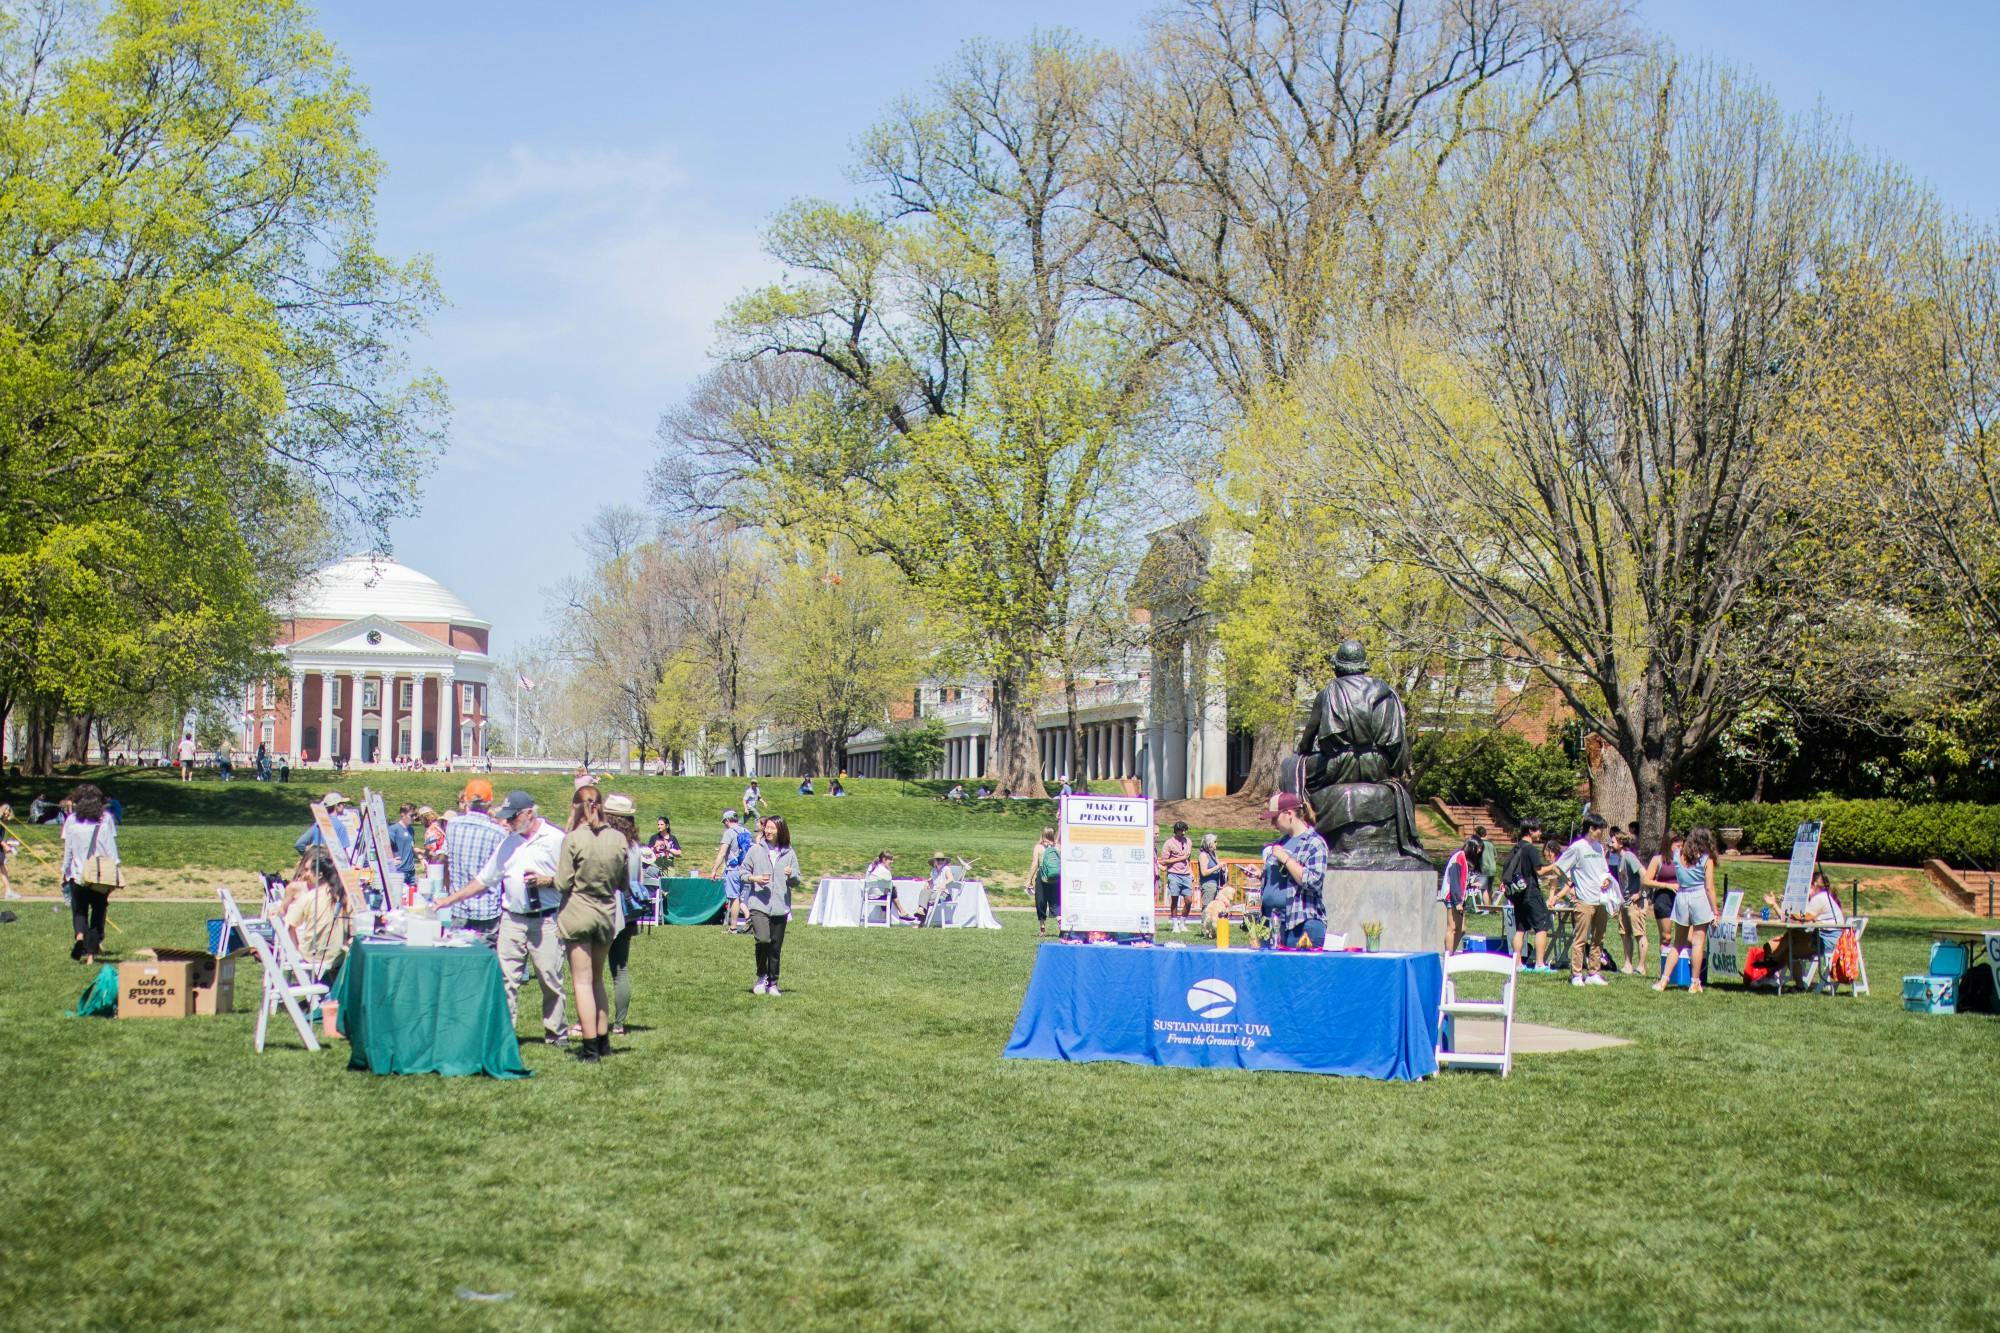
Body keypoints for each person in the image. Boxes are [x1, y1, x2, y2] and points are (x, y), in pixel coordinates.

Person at [435, 790, 570, 1044]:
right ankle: (505, 1033)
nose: (508, 823)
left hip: (546, 919)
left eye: (513, 818)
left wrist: (547, 881)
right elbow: (484, 880)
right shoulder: (509, 843)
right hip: (511, 919)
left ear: (529, 813)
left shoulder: (555, 839)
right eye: (506, 818)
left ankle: (556, 1032)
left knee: (550, 977)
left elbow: (571, 878)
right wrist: (449, 899)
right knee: (507, 979)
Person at [555, 787, 624, 1062]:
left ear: (576, 807)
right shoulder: (618, 839)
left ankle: (589, 1047)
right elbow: (623, 882)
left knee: (582, 982)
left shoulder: (573, 839)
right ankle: (604, 1040)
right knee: (598, 979)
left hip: (578, 912)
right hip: (606, 913)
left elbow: (562, 883)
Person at [603, 795, 651, 1035]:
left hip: (607, 908)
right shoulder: (635, 847)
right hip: (629, 910)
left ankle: (592, 1021)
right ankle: (620, 1023)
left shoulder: (607, 843)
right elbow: (640, 881)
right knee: (620, 970)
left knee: (591, 971)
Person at [1255, 793, 1328, 949]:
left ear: (1289, 814)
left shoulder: (1314, 843)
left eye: (1275, 818)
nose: (1272, 823)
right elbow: (1279, 879)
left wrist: (1287, 859)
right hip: (1273, 923)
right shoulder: (1280, 843)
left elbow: (1313, 881)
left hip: (1302, 925)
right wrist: (1261, 874)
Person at [1751, 868, 1846, 987]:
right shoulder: (1822, 897)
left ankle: (1779, 973)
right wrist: (1777, 904)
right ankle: (1771, 970)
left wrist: (1789, 906)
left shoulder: (1820, 898)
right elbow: (1795, 918)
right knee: (1791, 936)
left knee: (1789, 950)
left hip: (1826, 941)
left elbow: (1804, 917)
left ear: (1813, 885)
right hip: (1822, 937)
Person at [1553, 813, 1617, 987]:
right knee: (1580, 939)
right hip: (1584, 900)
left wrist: (1606, 880)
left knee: (1598, 938)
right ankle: (1576, 974)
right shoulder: (1578, 847)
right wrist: (1570, 885)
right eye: (1599, 830)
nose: (1601, 833)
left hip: (1601, 900)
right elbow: (1559, 867)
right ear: (1591, 828)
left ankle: (1594, 972)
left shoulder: (1599, 848)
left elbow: (1605, 870)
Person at [1654, 826, 1720, 995]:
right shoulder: (1706, 860)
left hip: (1682, 897)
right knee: (1698, 942)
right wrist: (1715, 911)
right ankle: (1694, 982)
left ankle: (1663, 980)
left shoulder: (1678, 857)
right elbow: (1709, 888)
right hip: (1699, 897)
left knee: (1677, 943)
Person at [59, 783, 120, 963]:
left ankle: (80, 936)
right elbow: (111, 850)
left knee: (79, 911)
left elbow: (68, 850)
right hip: (100, 876)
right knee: (99, 911)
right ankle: (91, 953)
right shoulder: (106, 820)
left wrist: (64, 872)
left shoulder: (71, 821)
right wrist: (115, 874)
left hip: (78, 875)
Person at [439, 781, 506, 944]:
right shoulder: (498, 833)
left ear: (466, 801)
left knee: (460, 960)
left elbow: (444, 859)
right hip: (487, 910)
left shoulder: (452, 825)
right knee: (484, 963)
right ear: (489, 803)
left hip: (459, 906)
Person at [742, 814, 800, 995]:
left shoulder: (789, 853)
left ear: (780, 830)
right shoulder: (756, 850)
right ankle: (761, 976)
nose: (768, 831)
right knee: (763, 939)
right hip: (758, 903)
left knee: (775, 946)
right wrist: (755, 878)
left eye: (772, 828)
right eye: (766, 827)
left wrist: (792, 875)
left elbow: (796, 881)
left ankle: (773, 984)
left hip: (780, 906)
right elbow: (742, 872)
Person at [275, 845, 353, 969]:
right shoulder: (343, 895)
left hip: (311, 951)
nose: (305, 875)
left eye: (308, 870)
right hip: (331, 954)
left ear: (320, 873)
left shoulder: (312, 896)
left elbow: (290, 925)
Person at [1502, 821, 1555, 972]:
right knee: (1542, 926)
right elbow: (1539, 871)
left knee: (1520, 928)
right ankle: (1539, 964)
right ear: (1531, 831)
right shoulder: (1530, 848)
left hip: (1517, 894)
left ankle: (1517, 964)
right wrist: (1555, 865)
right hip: (1531, 892)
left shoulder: (1516, 847)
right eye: (1538, 830)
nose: (1540, 834)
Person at [1610, 831, 1651, 975]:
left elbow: (1644, 874)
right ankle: (1627, 965)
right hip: (1624, 902)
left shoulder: (1629, 857)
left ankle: (1641, 967)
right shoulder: (1620, 859)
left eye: (1613, 842)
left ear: (1621, 843)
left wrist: (1639, 894)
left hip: (1636, 903)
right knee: (1624, 933)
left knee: (1639, 933)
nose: (1610, 844)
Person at [708, 810, 755, 933]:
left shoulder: (729, 832)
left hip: (733, 869)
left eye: (724, 822)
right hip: (746, 870)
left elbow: (722, 852)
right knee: (743, 899)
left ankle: (733, 928)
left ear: (727, 821)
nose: (724, 824)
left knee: (734, 898)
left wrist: (714, 870)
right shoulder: (747, 831)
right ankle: (749, 919)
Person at [1643, 831, 1684, 964]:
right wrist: (1666, 885)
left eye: (1681, 846)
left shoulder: (1683, 860)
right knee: (1666, 936)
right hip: (1663, 898)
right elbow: (1646, 881)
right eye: (1677, 846)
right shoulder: (1658, 860)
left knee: (1684, 936)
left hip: (1681, 898)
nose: (1680, 848)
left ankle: (1679, 966)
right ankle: (1664, 966)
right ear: (1669, 844)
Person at [1438, 836, 1477, 954]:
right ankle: (1448, 958)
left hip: (1458, 898)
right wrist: (1457, 902)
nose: (1479, 852)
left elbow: (1461, 880)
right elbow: (1454, 881)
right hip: (1452, 898)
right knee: (1452, 928)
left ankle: (1451, 955)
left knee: (1462, 929)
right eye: (1479, 849)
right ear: (1473, 848)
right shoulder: (1458, 857)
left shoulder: (1463, 859)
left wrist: (1470, 884)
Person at [1157, 820, 1194, 934]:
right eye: (1181, 831)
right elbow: (1163, 861)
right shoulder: (1169, 843)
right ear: (1176, 830)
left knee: (1189, 900)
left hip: (1186, 874)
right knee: (1174, 899)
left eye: (1184, 830)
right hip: (1174, 874)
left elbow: (1188, 859)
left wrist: (1191, 871)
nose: (1183, 833)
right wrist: (1179, 859)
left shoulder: (1188, 842)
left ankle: (1182, 923)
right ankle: (1175, 924)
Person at [295, 791, 356, 859]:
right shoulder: (340, 826)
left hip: (317, 866)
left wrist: (310, 858)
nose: (344, 805)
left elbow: (299, 844)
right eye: (342, 803)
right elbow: (343, 854)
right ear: (336, 806)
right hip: (331, 866)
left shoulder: (318, 824)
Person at [1028, 828, 1061, 937]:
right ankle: (1061, 925)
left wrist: (1029, 880)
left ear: (1042, 834)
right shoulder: (1058, 847)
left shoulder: (1039, 847)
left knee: (1040, 902)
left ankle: (1042, 929)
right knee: (1055, 902)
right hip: (1056, 878)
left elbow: (1035, 864)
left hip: (1042, 877)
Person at [387, 803, 418, 901]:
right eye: (411, 815)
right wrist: (391, 859)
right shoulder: (393, 829)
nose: (413, 818)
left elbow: (411, 847)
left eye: (414, 815)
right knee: (401, 899)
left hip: (411, 871)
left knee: (413, 898)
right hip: (400, 870)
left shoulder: (411, 830)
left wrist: (421, 857)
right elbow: (386, 847)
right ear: (402, 815)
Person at [1196, 833, 1227, 927]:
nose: (1216, 844)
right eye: (1215, 842)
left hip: (1216, 884)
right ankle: (1204, 928)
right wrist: (1218, 866)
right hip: (1208, 884)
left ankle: (1213, 928)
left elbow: (1218, 865)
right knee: (1207, 907)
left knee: (1216, 907)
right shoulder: (1203, 855)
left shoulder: (1213, 854)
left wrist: (1223, 868)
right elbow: (1204, 872)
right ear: (1209, 843)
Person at [921, 851, 957, 922]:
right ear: (934, 861)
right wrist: (927, 883)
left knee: (925, 900)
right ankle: (921, 912)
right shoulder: (933, 870)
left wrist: (944, 884)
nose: (940, 861)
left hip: (945, 895)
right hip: (936, 893)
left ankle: (920, 920)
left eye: (942, 859)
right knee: (924, 892)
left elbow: (951, 878)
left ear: (944, 861)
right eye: (938, 859)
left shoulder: (946, 869)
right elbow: (932, 880)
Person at [1475, 827, 1503, 912]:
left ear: (1477, 834)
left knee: (1484, 890)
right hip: (1492, 869)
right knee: (1489, 889)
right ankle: (1492, 907)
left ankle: (1487, 909)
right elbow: (1495, 856)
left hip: (1483, 869)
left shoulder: (1478, 844)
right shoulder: (1491, 844)